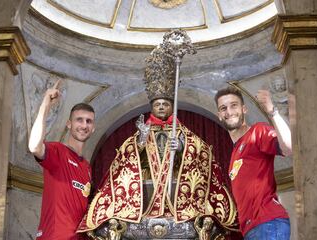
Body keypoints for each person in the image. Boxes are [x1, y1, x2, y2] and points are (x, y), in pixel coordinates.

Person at [77, 34, 238, 238]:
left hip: (177, 193)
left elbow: (202, 154)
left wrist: (182, 147)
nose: (162, 107)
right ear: (151, 107)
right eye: (158, 104)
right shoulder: (141, 131)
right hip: (146, 193)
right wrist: (141, 142)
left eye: (165, 104)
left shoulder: (182, 132)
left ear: (172, 106)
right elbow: (125, 161)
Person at [215, 86, 292, 240]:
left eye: (234, 105)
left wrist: (273, 112)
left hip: (268, 223)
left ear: (244, 109)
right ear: (219, 115)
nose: (229, 112)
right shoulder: (235, 153)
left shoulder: (257, 131)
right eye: (224, 108)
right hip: (252, 229)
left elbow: (289, 147)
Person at [28, 80, 96, 240]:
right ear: (69, 124)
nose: (84, 125)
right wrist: (46, 103)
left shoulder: (87, 167)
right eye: (79, 120)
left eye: (89, 121)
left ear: (93, 128)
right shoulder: (58, 151)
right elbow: (34, 147)